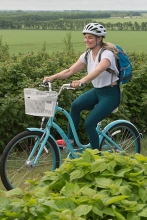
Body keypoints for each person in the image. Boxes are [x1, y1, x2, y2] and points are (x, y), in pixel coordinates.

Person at [43, 22, 120, 150]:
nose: (86, 40)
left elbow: (99, 70)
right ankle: (70, 140)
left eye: (90, 37)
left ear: (99, 39)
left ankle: (96, 156)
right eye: (85, 37)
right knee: (75, 106)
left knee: (89, 123)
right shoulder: (87, 54)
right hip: (97, 92)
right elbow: (69, 71)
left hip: (111, 95)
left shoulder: (107, 54)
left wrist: (81, 81)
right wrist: (52, 77)